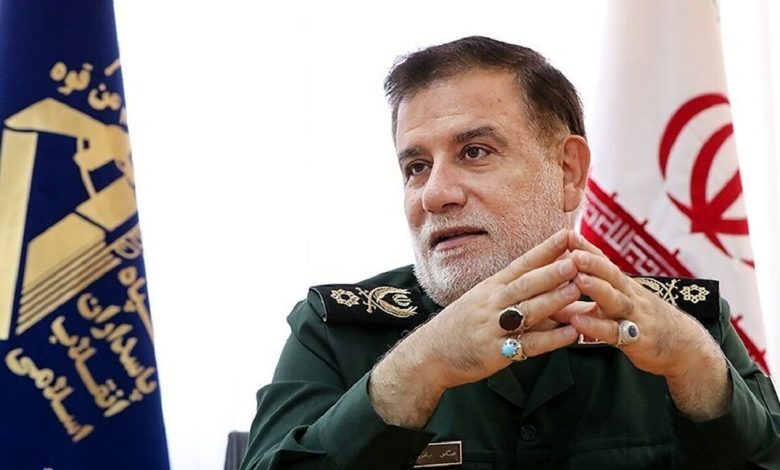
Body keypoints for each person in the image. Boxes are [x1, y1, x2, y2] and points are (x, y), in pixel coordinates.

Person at [240, 36, 780, 469]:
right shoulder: (336, 333)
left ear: (567, 172)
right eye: (416, 167)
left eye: (474, 152)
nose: (434, 194)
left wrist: (701, 377)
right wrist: (419, 368)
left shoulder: (684, 327)